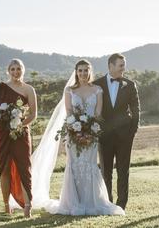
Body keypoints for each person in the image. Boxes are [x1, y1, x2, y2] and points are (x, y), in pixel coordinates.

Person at [39, 60, 124, 215]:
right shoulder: (69, 91)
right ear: (76, 72)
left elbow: (98, 115)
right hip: (73, 134)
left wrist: (90, 129)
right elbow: (69, 111)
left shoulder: (98, 90)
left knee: (90, 166)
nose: (83, 73)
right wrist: (75, 129)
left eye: (86, 70)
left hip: (91, 134)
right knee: (74, 166)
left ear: (90, 71)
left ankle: (91, 201)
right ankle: (74, 203)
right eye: (80, 70)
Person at [0, 59, 37, 218]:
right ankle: (6, 204)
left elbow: (33, 114)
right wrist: (2, 117)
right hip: (3, 133)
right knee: (4, 168)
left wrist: (20, 125)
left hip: (21, 134)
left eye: (18, 69)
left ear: (23, 70)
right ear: (8, 71)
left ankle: (28, 205)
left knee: (24, 167)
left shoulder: (29, 89)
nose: (16, 72)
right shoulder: (0, 87)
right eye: (13, 69)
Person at [93, 53, 140, 210]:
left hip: (124, 136)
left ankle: (121, 204)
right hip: (104, 135)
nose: (123, 69)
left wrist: (132, 131)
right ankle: (107, 203)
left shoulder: (130, 84)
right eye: (120, 65)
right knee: (106, 171)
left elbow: (136, 110)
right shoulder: (96, 85)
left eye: (124, 65)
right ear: (110, 66)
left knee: (123, 170)